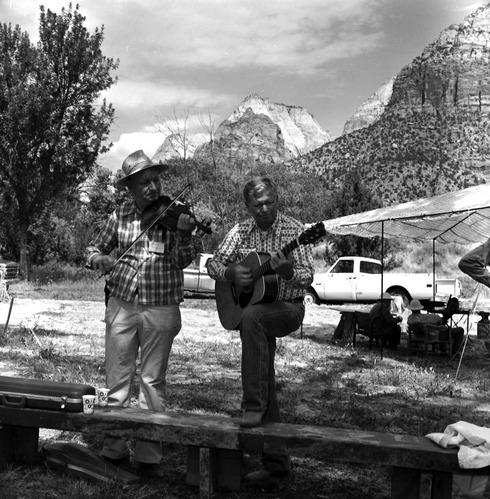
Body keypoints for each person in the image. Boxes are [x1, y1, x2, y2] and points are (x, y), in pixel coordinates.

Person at [86, 150, 196, 477]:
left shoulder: (175, 215)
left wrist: (186, 233)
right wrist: (98, 260)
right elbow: (93, 249)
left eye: (155, 180)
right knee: (116, 379)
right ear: (130, 188)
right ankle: (113, 451)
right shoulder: (118, 216)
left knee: (152, 381)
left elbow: (182, 261)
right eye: (143, 183)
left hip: (161, 304)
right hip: (121, 301)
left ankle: (149, 458)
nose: (152, 188)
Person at [206, 176, 314, 489]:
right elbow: (213, 264)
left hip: (288, 308)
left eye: (269, 202)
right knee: (263, 370)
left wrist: (288, 271)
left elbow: (307, 278)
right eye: (258, 205)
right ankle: (276, 464)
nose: (265, 209)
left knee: (253, 315)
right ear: (248, 207)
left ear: (277, 199)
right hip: (257, 309)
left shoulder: (296, 231)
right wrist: (229, 272)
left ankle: (252, 407)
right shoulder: (239, 231)